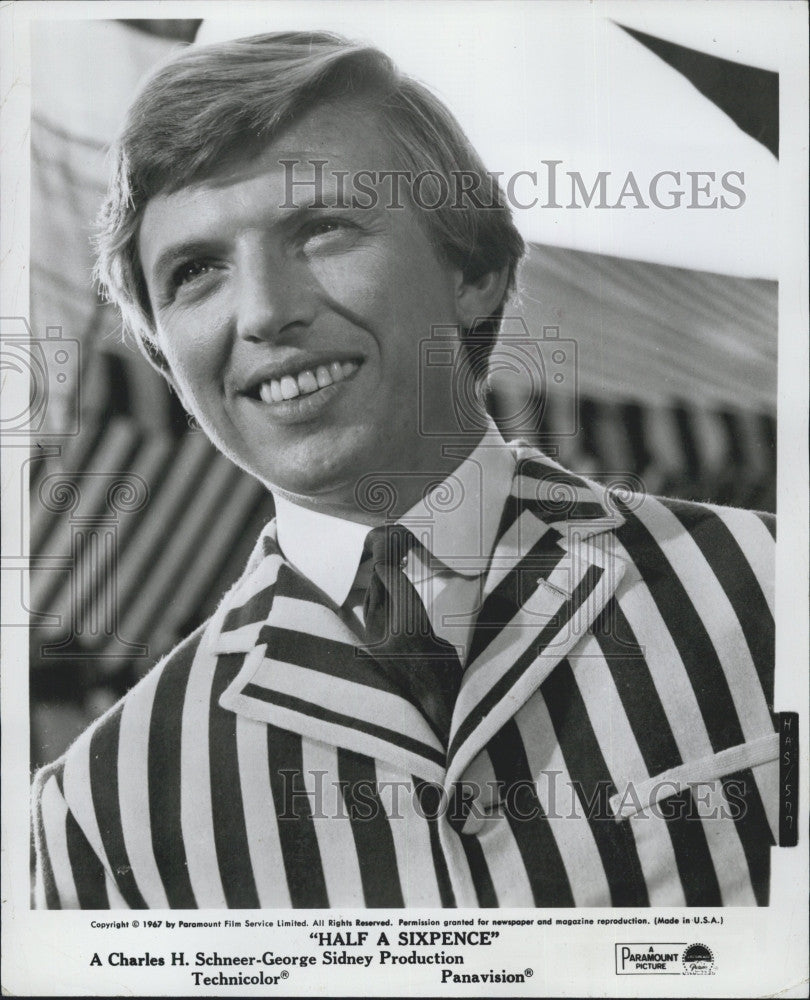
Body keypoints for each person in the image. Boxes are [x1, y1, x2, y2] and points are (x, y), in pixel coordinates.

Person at [32, 30, 778, 909]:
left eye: (322, 230)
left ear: (476, 270)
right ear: (166, 359)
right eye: (196, 271)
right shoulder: (99, 810)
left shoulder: (769, 588)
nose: (266, 313)